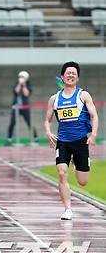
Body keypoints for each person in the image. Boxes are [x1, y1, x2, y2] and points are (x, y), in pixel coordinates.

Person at [43, 61, 99, 220]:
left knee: (82, 182)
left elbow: (94, 116)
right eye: (68, 73)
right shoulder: (54, 99)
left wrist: (93, 135)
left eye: (74, 73)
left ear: (77, 78)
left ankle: (77, 164)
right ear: (62, 76)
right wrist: (48, 132)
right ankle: (68, 209)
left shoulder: (83, 95)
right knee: (61, 173)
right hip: (63, 141)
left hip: (81, 141)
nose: (71, 75)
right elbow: (47, 120)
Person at [6, 70, 38, 146]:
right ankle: (9, 140)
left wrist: (23, 85)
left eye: (23, 77)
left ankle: (35, 139)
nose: (21, 78)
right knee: (12, 123)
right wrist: (20, 84)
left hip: (25, 107)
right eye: (20, 77)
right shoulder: (16, 85)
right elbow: (16, 91)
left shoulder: (28, 85)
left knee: (29, 122)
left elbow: (26, 94)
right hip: (16, 107)